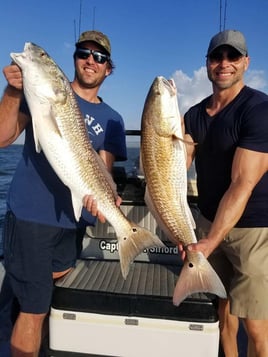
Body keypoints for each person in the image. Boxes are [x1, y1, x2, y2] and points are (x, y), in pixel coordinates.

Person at [0, 30, 127, 356]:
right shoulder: (38, 94)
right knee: (34, 308)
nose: (90, 60)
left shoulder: (113, 118)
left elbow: (103, 169)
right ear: (73, 59)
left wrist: (105, 199)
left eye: (99, 57)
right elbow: (3, 137)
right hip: (31, 217)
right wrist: (13, 91)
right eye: (84, 53)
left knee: (49, 300)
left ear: (108, 68)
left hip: (72, 222)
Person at [183, 29, 268, 357]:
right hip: (208, 222)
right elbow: (175, 169)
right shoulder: (193, 114)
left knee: (256, 324)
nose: (224, 63)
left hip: (253, 232)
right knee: (224, 311)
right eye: (217, 57)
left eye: (233, 56)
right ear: (207, 64)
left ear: (246, 62)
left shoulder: (258, 110)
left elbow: (241, 184)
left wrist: (208, 241)